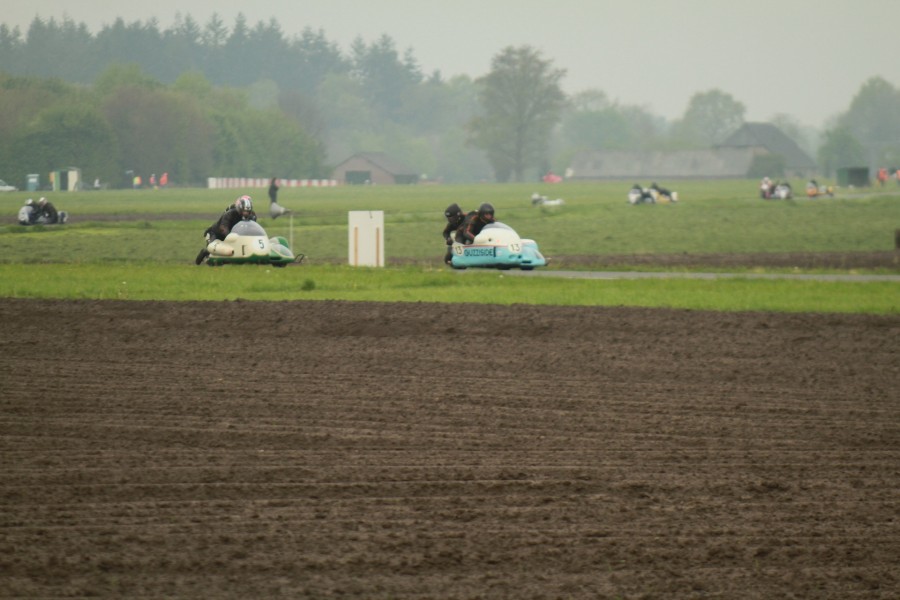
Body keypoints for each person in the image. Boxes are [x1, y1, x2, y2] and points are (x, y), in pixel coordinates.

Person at [195, 195, 258, 265]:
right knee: (214, 252)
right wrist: (230, 237)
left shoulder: (252, 216)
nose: (245, 213)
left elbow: (252, 227)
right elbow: (223, 227)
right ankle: (205, 252)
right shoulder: (230, 213)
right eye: (244, 211)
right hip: (217, 234)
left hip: (233, 235)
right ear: (240, 208)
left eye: (247, 211)